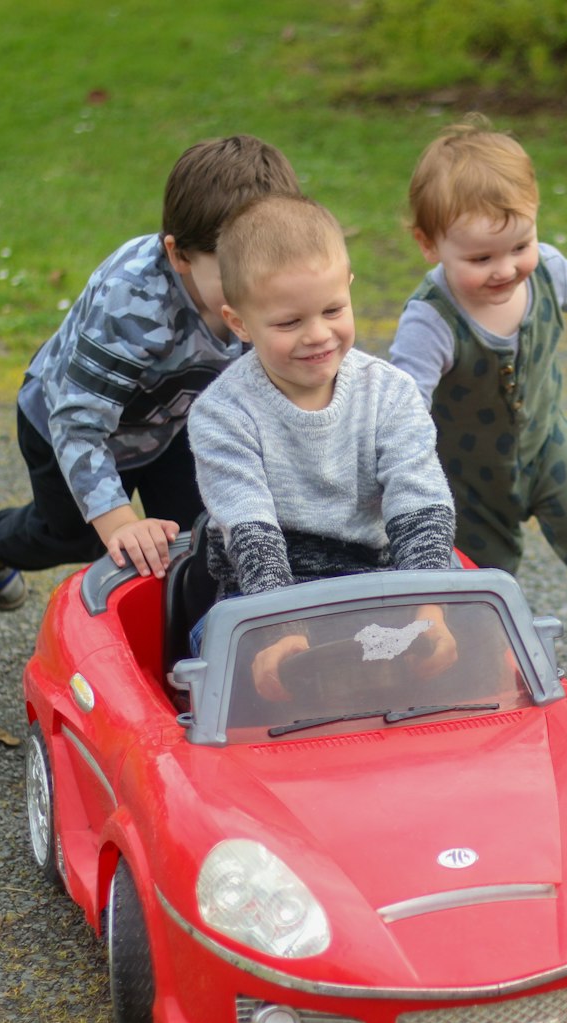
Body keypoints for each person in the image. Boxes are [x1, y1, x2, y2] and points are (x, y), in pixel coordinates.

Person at [0, 135, 301, 610]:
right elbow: (77, 425)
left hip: (168, 422)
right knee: (80, 538)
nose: (255, 289)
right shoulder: (134, 306)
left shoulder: (253, 288)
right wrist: (118, 521)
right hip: (69, 423)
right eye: (235, 272)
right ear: (180, 255)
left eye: (268, 268)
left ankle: (190, 647)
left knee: (201, 535)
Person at [390, 116, 567, 660]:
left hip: (546, 442)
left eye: (520, 245)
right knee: (482, 565)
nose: (505, 270)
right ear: (429, 245)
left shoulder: (544, 271)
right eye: (480, 259)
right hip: (468, 476)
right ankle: (482, 650)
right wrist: (399, 465)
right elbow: (406, 400)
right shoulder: (430, 322)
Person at [186, 194, 457, 697]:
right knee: (234, 669)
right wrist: (282, 627)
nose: (317, 335)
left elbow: (419, 501)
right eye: (289, 322)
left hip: (381, 590)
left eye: (333, 309)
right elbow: (250, 531)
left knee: (473, 639)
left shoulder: (391, 393)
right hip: (264, 600)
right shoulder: (221, 414)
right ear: (240, 322)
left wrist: (430, 605)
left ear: (349, 289)